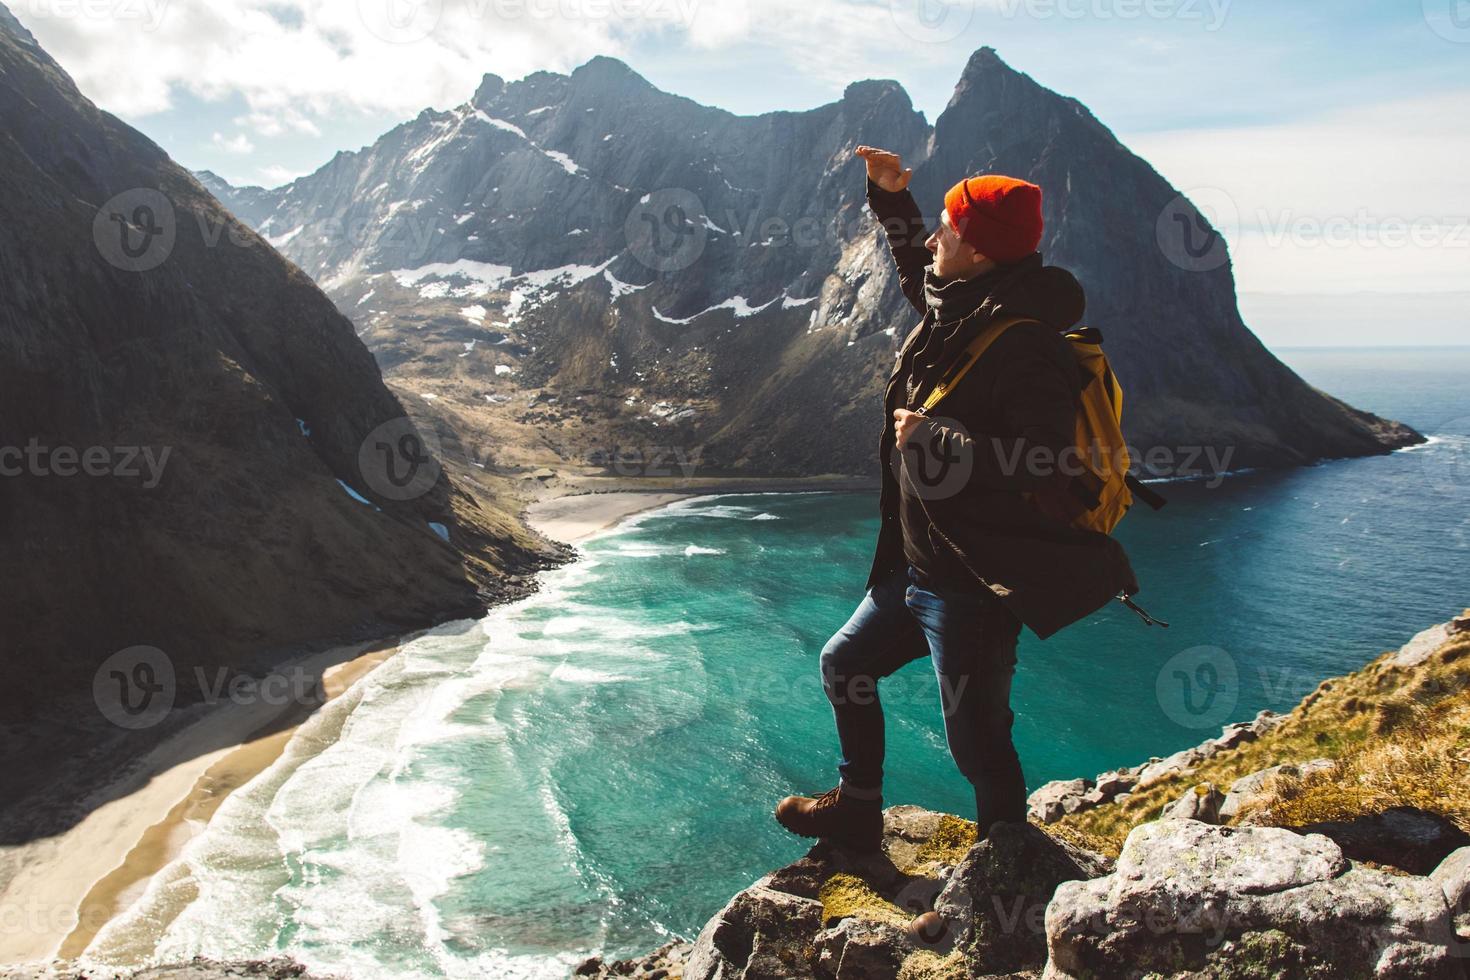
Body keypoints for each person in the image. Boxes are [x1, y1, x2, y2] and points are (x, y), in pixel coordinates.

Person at [773, 145, 1139, 852]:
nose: (935, 238)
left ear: (979, 251)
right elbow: (920, 267)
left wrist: (941, 439)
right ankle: (857, 808)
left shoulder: (1024, 345)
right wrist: (890, 199)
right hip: (914, 570)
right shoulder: (962, 303)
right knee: (845, 664)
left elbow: (1053, 466)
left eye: (948, 226)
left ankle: (1007, 862)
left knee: (976, 744)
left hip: (971, 587)